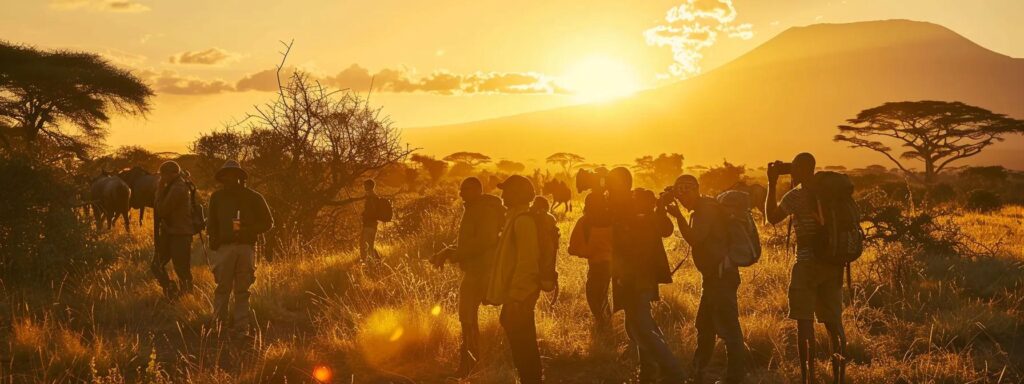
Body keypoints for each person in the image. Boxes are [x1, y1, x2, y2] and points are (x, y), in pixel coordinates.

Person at [765, 152, 846, 384]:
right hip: (833, 263)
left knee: (804, 322)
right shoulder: (832, 194)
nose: (791, 171)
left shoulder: (796, 196)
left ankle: (807, 377)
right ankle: (839, 375)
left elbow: (771, 217)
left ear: (801, 169)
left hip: (807, 263)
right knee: (833, 322)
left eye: (794, 168)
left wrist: (771, 183)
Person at [665, 175, 747, 384]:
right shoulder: (701, 209)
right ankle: (698, 371)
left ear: (695, 190)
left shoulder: (706, 209)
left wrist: (678, 217)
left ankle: (735, 376)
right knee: (705, 326)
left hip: (721, 277)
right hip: (713, 278)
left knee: (728, 328)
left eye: (686, 194)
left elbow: (695, 238)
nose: (683, 199)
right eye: (680, 195)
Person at [607, 168, 685, 383]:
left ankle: (672, 371)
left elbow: (651, 234)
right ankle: (649, 371)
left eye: (609, 183)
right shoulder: (630, 205)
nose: (606, 187)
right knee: (636, 324)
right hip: (639, 275)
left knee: (641, 325)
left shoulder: (629, 207)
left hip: (636, 276)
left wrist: (657, 209)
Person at [431, 177, 505, 377]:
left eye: (465, 189)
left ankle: (471, 366)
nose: (461, 193)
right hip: (475, 269)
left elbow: (485, 241)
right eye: (461, 189)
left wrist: (455, 255)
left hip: (483, 271)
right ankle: (470, 364)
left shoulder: (485, 210)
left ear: (477, 190)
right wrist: (447, 252)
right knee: (467, 317)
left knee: (467, 317)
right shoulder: (474, 209)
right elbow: (472, 244)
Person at [486, 175, 543, 383]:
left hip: (520, 295)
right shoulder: (515, 218)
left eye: (507, 191)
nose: (503, 195)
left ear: (517, 194)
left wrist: (517, 297)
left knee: (525, 346)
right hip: (517, 294)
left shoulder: (523, 221)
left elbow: (527, 264)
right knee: (522, 344)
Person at [207, 160, 274, 330]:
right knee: (222, 288)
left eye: (233, 175)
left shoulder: (253, 197)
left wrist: (248, 230)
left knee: (242, 291)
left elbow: (268, 222)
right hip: (224, 248)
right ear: (222, 178)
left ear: (240, 177)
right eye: (226, 175)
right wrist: (214, 241)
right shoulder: (217, 197)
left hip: (246, 247)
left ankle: (241, 327)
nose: (230, 178)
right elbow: (212, 223)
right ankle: (218, 326)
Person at [567, 192, 614, 332]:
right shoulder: (614, 219)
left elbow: (573, 248)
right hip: (614, 265)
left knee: (593, 295)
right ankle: (606, 326)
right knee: (602, 295)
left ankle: (603, 327)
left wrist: (586, 251)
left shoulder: (585, 221)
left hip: (597, 265)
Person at [152, 160, 194, 299]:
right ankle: (172, 289)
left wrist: (159, 191)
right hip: (171, 232)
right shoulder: (174, 185)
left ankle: (187, 298)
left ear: (170, 174)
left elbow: (162, 210)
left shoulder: (178, 188)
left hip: (179, 234)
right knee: (157, 265)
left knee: (181, 269)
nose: (161, 178)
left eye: (162, 175)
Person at [360, 179, 380, 260]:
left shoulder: (371, 197)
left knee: (363, 245)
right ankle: (377, 262)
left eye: (365, 185)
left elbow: (371, 211)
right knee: (370, 246)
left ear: (369, 186)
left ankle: (367, 263)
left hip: (368, 225)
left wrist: (364, 214)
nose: (364, 187)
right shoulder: (375, 196)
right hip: (373, 225)